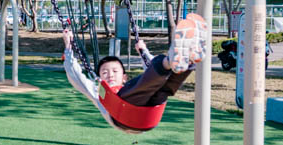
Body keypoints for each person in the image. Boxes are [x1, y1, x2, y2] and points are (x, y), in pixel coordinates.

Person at [63, 13, 209, 131]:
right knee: (139, 87)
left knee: (164, 88)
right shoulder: (97, 90)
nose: (110, 75)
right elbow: (75, 76)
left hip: (149, 116)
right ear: (99, 77)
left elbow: (149, 70)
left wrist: (143, 51)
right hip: (123, 118)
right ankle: (169, 60)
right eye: (105, 72)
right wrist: (68, 47)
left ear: (124, 76)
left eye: (115, 71)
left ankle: (189, 60)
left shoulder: (133, 86)